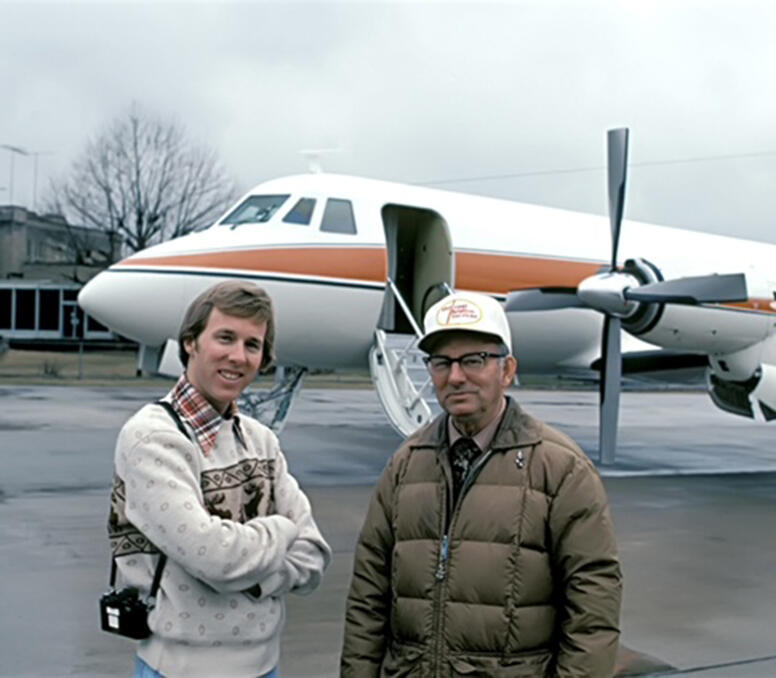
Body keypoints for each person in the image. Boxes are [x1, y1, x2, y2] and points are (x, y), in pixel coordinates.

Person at [341, 291, 621, 676]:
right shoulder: (404, 467)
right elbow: (367, 601)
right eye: (441, 362)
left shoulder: (561, 469)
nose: (455, 376)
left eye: (474, 360)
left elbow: (592, 611)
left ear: (507, 371)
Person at [107, 280, 331, 678]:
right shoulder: (153, 438)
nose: (238, 356)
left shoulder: (261, 440)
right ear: (191, 342)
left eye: (252, 344)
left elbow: (313, 556)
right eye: (224, 337)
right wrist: (280, 530)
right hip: (178, 669)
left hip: (266, 666)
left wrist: (251, 573)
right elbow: (216, 558)